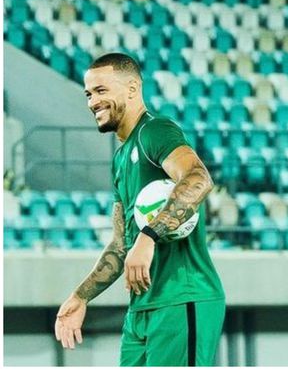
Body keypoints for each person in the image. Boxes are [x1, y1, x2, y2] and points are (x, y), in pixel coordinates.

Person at [54, 53, 226, 366]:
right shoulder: (120, 161)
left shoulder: (155, 132)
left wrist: (148, 237)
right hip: (141, 310)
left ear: (132, 89)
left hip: (182, 297)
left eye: (102, 91)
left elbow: (199, 179)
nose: (93, 102)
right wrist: (81, 297)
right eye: (89, 94)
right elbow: (121, 245)